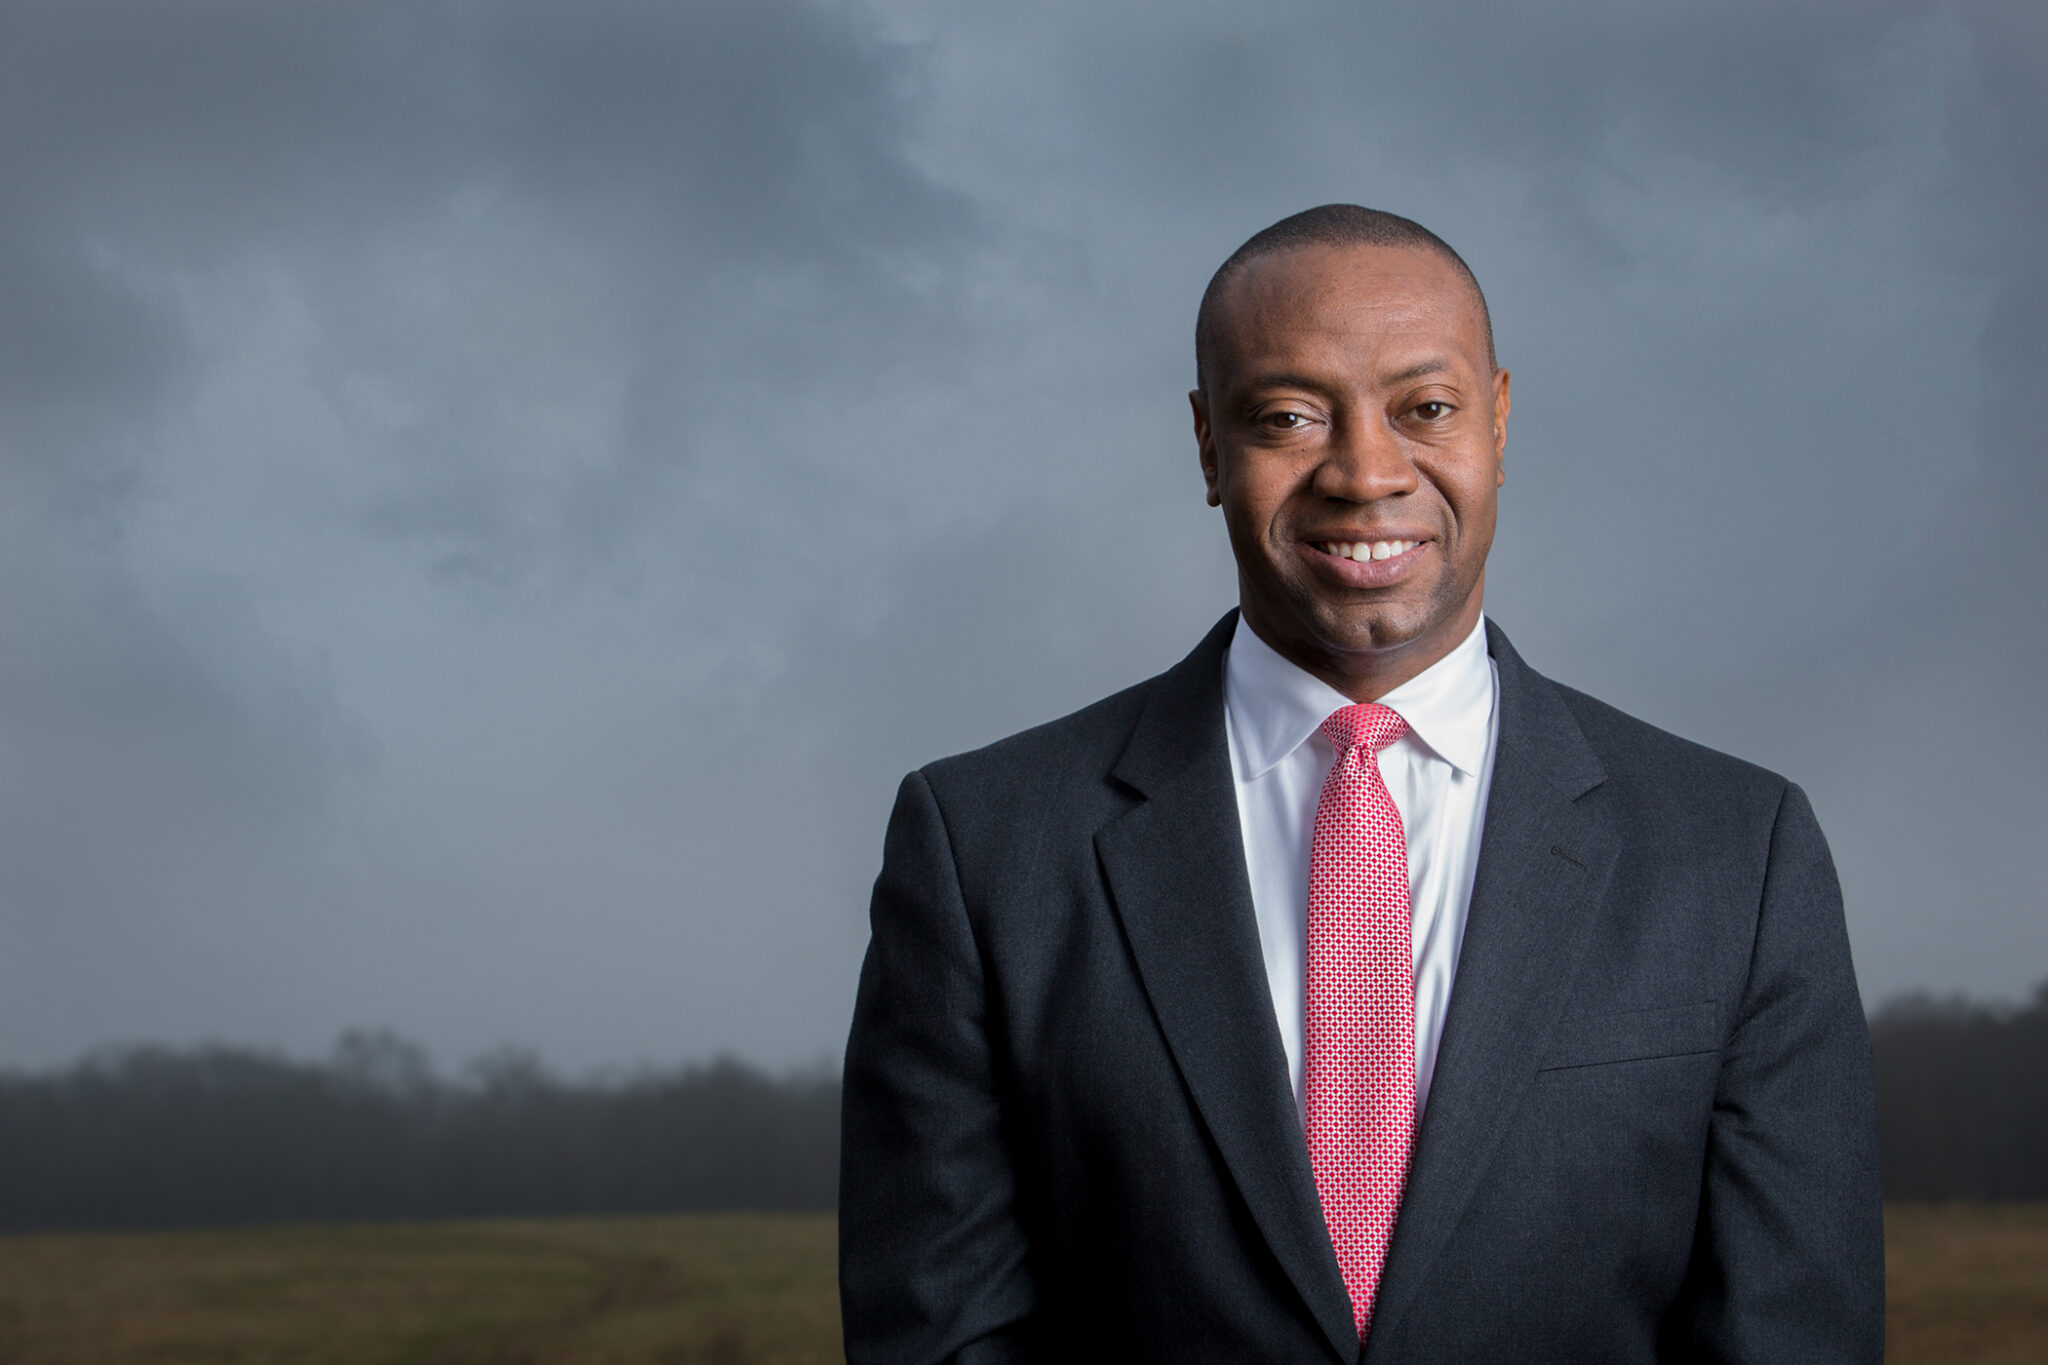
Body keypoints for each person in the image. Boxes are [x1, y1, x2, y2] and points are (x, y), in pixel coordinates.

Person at [838, 205, 1883, 1364]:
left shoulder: (1736, 853)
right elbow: (938, 1335)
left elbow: (1792, 1335)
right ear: (1205, 447)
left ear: (1495, 421)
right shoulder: (982, 847)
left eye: (1424, 409)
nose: (1365, 472)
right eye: (1288, 416)